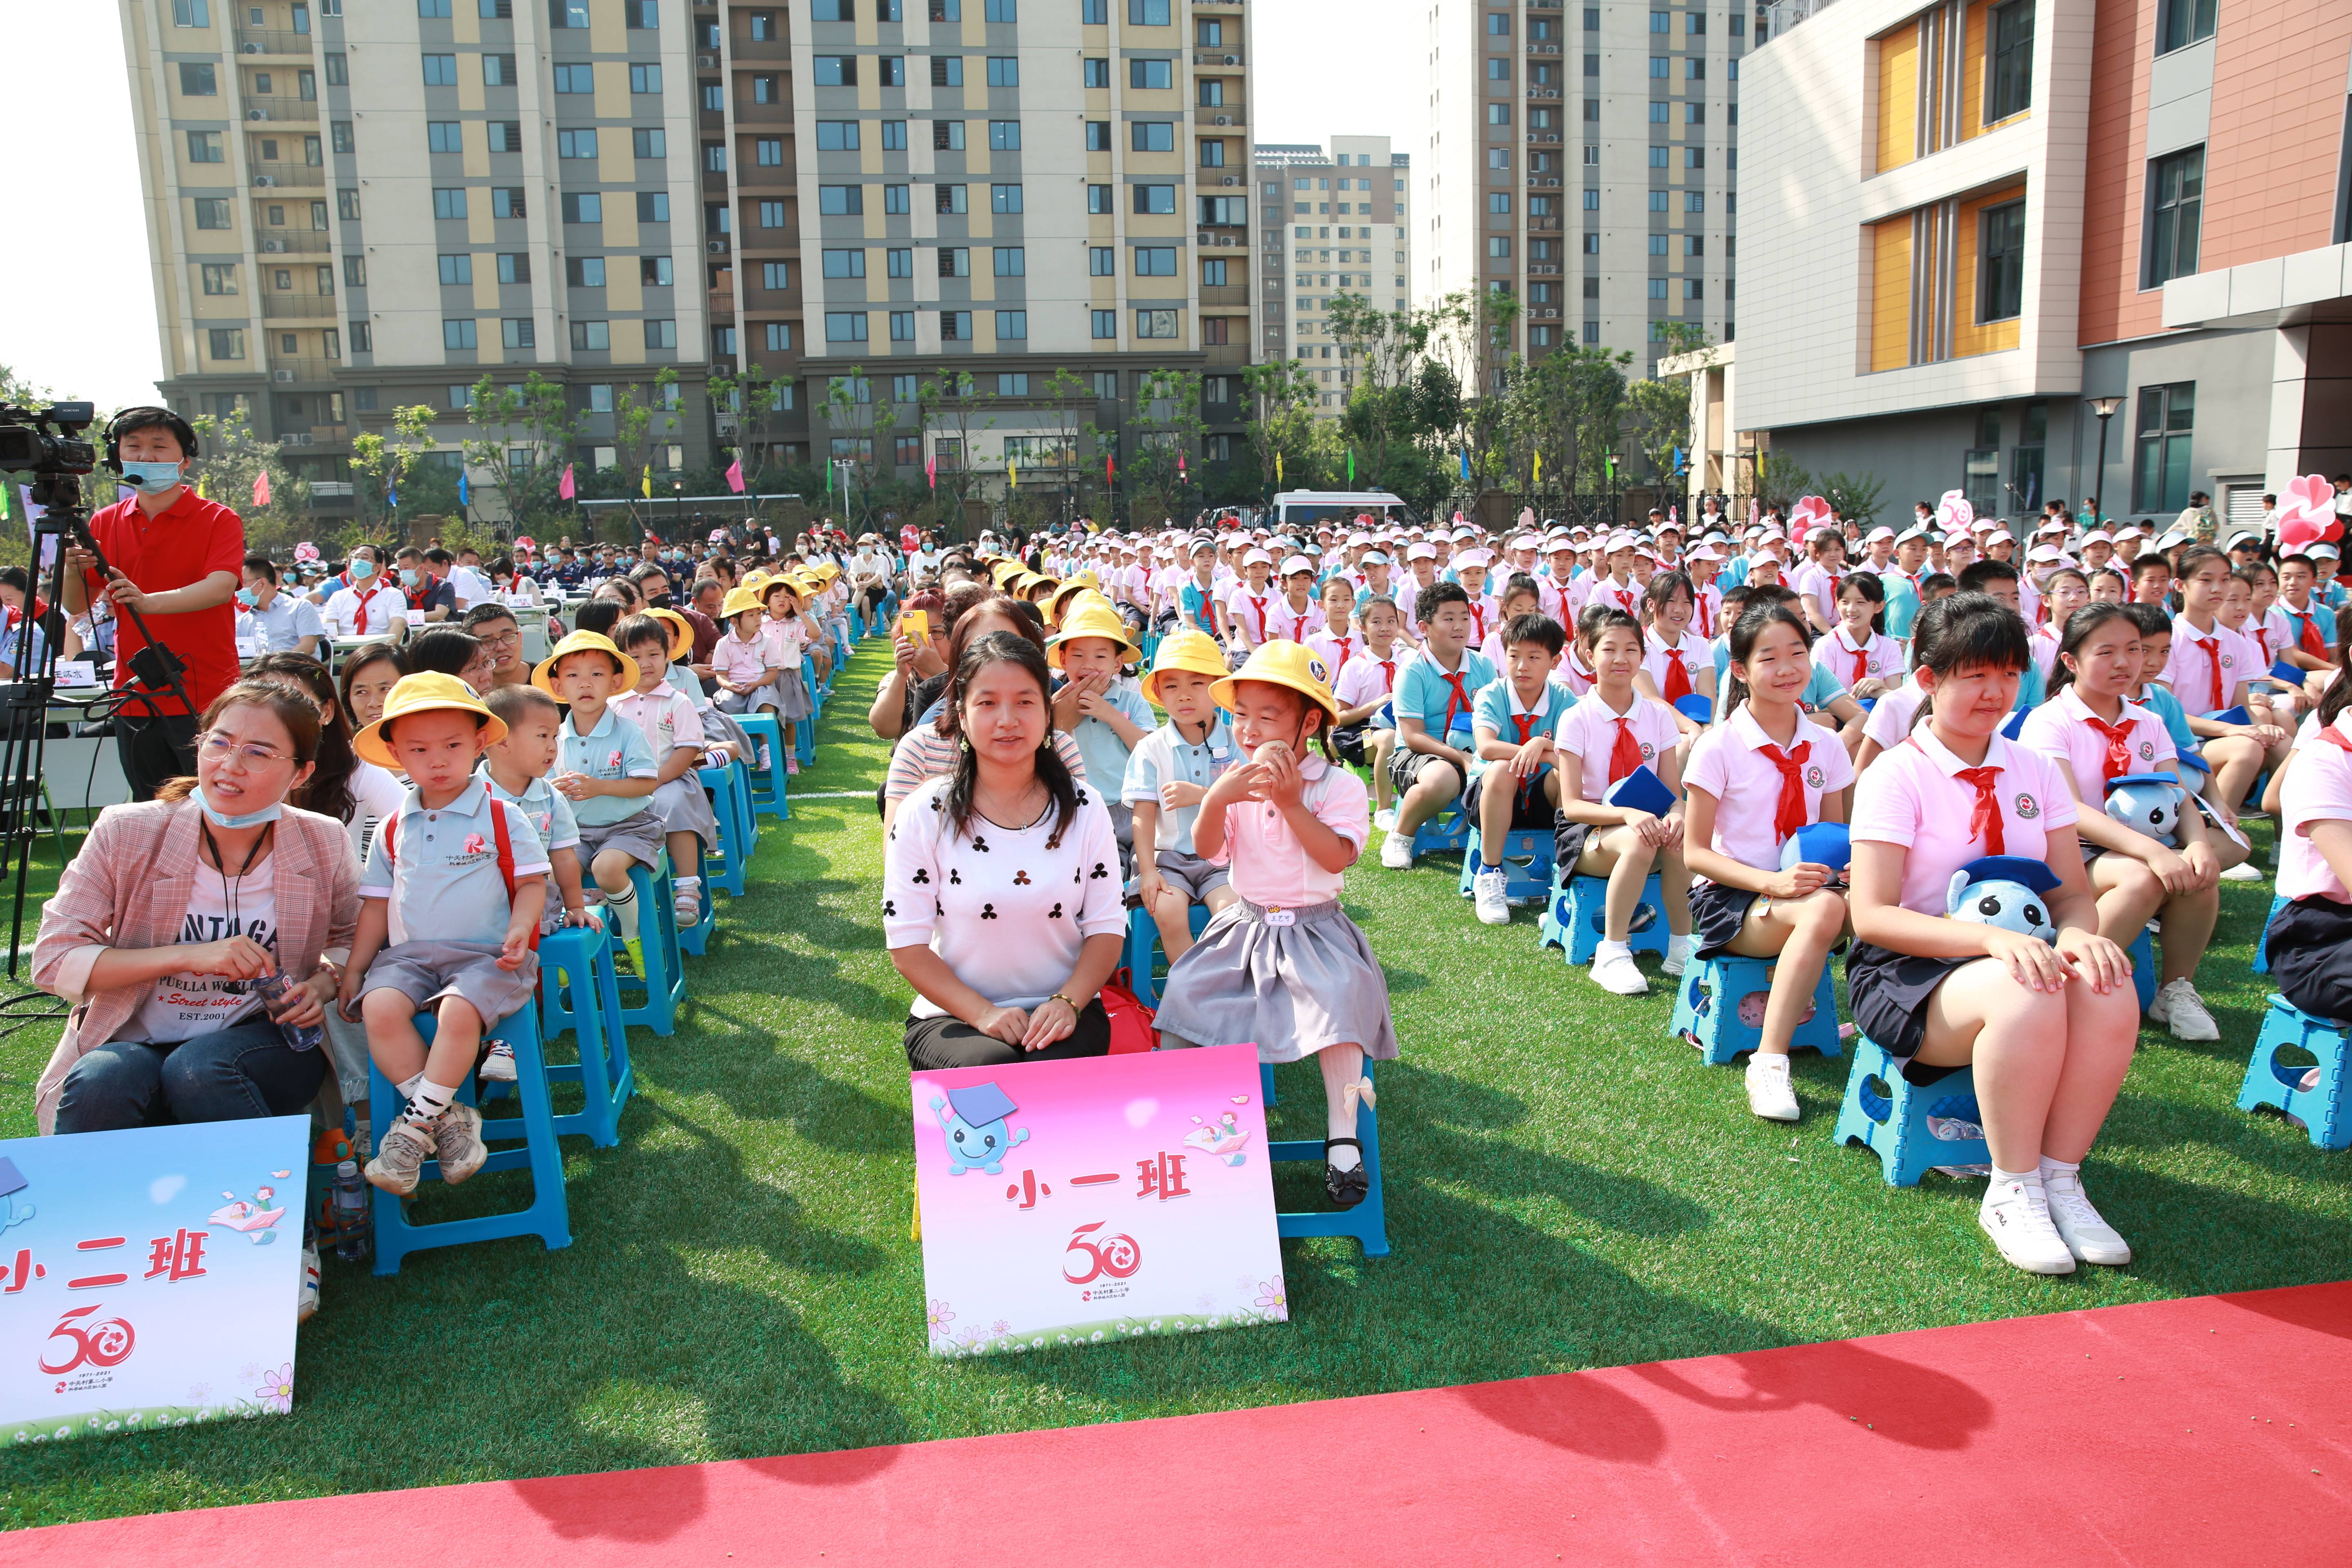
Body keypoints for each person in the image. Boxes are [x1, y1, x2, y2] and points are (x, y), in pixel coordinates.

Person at [1846, 593, 2140, 1276]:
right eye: (1975, 675)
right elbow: (1873, 916)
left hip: (2016, 954)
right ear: (1929, 679)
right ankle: (2011, 1188)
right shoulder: (1896, 773)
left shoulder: (2034, 767)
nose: (1995, 692)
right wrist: (1993, 943)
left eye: (2008, 673)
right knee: (2026, 990)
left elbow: (2070, 893)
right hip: (1907, 969)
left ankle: (2061, 1177)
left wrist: (2078, 937)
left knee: (2108, 982)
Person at [31, 680, 359, 1135]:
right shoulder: (128, 832)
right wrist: (190, 955)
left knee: (199, 1067)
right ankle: (96, 1206)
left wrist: (323, 984)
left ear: (300, 774)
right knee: (105, 1080)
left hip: (260, 1041)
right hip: (135, 1037)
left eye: (258, 753)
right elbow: (54, 959)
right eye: (219, 743)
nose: (229, 766)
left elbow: (352, 938)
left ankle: (259, 1205)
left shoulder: (321, 840)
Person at [1154, 642, 1397, 1208]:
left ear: (1308, 722)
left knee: (1343, 998)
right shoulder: (1234, 778)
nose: (1249, 728)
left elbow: (1335, 858)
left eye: (1268, 716)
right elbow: (1209, 849)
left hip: (1316, 931)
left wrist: (1291, 804)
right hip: (1248, 925)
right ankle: (1205, 1137)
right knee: (1186, 997)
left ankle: (1342, 1138)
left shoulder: (1337, 786)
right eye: (1241, 714)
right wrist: (1216, 797)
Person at [342, 674, 548, 1194]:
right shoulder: (392, 827)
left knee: (458, 1011)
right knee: (378, 1009)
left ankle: (413, 1129)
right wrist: (355, 970)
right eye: (419, 749)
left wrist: (522, 928)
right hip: (409, 959)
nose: (437, 761)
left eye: (453, 746)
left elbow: (530, 884)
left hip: (486, 959)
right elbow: (374, 906)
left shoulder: (504, 815)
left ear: (480, 744)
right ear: (395, 755)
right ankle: (450, 1120)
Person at [883, 632, 1127, 1067]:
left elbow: (1108, 927)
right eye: (988, 703)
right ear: (961, 714)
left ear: (1048, 712)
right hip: (952, 1015)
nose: (1008, 719)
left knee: (1053, 1074)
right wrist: (984, 1014)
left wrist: (1068, 1003)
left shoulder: (1085, 807)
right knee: (989, 1069)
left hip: (1064, 1007)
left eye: (1026, 702)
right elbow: (906, 944)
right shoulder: (925, 811)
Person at [1681, 602, 1855, 1120]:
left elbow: (1831, 837)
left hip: (1807, 890)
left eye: (1798, 654)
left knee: (1886, 900)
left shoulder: (1826, 745)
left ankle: (1904, 1036)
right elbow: (1696, 854)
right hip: (1732, 897)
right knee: (1825, 911)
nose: (1787, 670)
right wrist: (1773, 884)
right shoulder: (1718, 747)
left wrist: (1844, 873)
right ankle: (1770, 1061)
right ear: (1740, 670)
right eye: (1769, 658)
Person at [2018, 601, 2222, 1040]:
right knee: (2144, 877)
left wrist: (2199, 844)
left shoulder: (2148, 720)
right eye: (2107, 652)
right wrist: (2153, 851)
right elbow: (2069, 810)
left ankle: (2175, 989)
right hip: (2066, 854)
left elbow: (2178, 794)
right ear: (2071, 661)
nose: (2126, 663)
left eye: (2134, 649)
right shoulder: (2049, 721)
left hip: (2130, 847)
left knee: (2198, 874)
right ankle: (2068, 990)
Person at [63, 407, 247, 801]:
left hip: (206, 692)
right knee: (150, 809)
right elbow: (77, 603)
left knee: (212, 804)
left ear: (184, 461)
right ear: (118, 458)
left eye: (159, 447)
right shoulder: (104, 521)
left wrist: (148, 603)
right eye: (134, 447)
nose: (145, 457)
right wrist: (68, 570)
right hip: (134, 694)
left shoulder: (218, 518)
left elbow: (219, 587)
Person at [1551, 607, 1695, 994]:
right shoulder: (1576, 718)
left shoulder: (1658, 716)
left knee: (1680, 836)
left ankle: (1682, 947)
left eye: (1631, 650)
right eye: (1609, 649)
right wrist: (1628, 814)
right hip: (1587, 831)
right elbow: (1573, 805)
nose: (1620, 659)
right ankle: (1613, 952)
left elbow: (1673, 795)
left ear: (1642, 657)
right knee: (1640, 837)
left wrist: (1679, 815)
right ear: (1587, 653)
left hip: (1643, 823)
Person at [540, 630, 664, 976]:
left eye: (597, 674)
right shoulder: (554, 736)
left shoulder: (628, 731)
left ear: (616, 682)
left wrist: (600, 788)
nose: (586, 684)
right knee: (550, 875)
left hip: (629, 826)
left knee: (606, 869)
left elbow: (647, 783)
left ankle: (632, 934)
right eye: (573, 675)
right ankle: (566, 946)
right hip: (574, 833)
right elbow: (538, 784)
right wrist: (554, 788)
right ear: (558, 687)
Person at [1125, 631, 1240, 963]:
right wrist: (1147, 871)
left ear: (1218, 688)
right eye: (1172, 686)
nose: (1184, 696)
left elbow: (1252, 802)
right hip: (1167, 860)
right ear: (1159, 693)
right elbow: (1143, 816)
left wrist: (1205, 796)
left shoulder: (1236, 743)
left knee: (1231, 913)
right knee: (1168, 912)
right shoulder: (1151, 748)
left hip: (1225, 861)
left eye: (1197, 684)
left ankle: (1224, 989)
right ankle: (1191, 995)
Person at [611, 614, 722, 931]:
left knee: (674, 804)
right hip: (625, 782)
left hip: (671, 775)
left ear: (667, 655)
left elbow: (686, 752)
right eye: (634, 657)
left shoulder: (678, 701)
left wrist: (655, 779)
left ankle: (687, 884)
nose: (645, 664)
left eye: (653, 655)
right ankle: (606, 890)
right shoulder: (615, 704)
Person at [1467, 612, 1575, 925]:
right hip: (1491, 796)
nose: (1522, 666)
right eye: (1514, 656)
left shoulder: (1565, 700)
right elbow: (1486, 747)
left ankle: (1566, 876)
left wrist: (1542, 746)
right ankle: (1489, 873)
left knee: (1564, 771)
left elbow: (1574, 756)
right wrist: (1537, 747)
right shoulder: (1492, 693)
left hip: (1541, 799)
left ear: (1554, 662)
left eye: (1534, 657)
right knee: (1503, 769)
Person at [1382, 582, 1495, 869]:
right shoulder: (1413, 670)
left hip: (1475, 749)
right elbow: (1412, 736)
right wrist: (1461, 757)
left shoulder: (1483, 665)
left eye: (1465, 617)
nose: (1460, 626)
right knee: (1444, 777)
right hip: (1417, 755)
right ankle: (1400, 836)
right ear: (1424, 627)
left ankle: (1498, 839)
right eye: (1449, 618)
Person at [1047, 600, 1152, 862]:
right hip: (1084, 809)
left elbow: (1150, 750)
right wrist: (1061, 714)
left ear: (1117, 664)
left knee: (1145, 864)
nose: (1089, 665)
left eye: (1100, 656)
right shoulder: (1056, 704)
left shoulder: (1131, 701)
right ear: (1063, 660)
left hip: (1134, 806)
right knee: (1105, 868)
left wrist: (1110, 714)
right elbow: (1045, 747)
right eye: (1078, 655)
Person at [237, 555, 324, 656]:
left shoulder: (300, 608)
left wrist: (273, 667)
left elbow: (308, 647)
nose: (239, 589)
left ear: (262, 583)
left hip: (297, 669)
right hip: (261, 671)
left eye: (243, 583)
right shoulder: (243, 621)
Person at [461, 601, 531, 689]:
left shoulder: (548, 678)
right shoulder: (466, 690)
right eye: (488, 642)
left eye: (508, 637)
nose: (501, 648)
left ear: (520, 639)